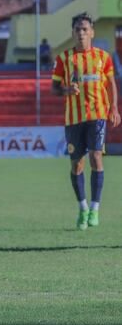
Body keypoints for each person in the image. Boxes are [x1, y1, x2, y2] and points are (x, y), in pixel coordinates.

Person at [51, 12, 119, 230]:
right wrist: (66, 90)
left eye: (85, 29)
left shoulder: (103, 57)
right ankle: (83, 207)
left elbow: (110, 85)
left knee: (96, 157)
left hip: (98, 115)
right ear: (73, 33)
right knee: (76, 164)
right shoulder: (64, 58)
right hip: (74, 118)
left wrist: (114, 108)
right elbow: (54, 88)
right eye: (77, 29)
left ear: (92, 32)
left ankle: (95, 209)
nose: (81, 33)